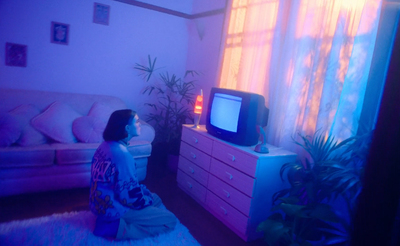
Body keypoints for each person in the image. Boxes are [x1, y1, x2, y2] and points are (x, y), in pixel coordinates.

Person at [89, 109, 177, 240]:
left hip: (99, 204)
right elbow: (128, 197)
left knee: (155, 198)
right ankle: (116, 228)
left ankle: (117, 221)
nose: (140, 124)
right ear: (127, 128)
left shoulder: (104, 146)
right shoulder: (123, 156)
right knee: (169, 220)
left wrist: (145, 195)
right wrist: (145, 200)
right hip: (115, 208)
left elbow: (123, 185)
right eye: (136, 121)